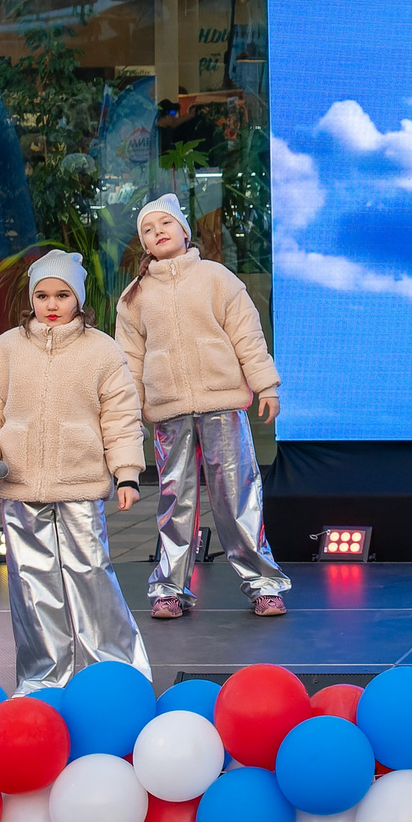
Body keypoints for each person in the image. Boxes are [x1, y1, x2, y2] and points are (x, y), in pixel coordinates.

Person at [0, 250, 150, 694]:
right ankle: (43, 680)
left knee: (91, 575)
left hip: (80, 485)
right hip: (20, 486)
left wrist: (126, 473)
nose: (52, 304)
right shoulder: (5, 350)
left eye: (62, 295)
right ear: (31, 299)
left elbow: (121, 416)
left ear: (78, 299)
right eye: (43, 295)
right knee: (32, 583)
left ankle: (116, 678)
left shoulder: (102, 350)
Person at [118, 193, 290, 621]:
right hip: (168, 410)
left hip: (222, 404)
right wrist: (131, 412)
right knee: (175, 500)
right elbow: (128, 360)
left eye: (164, 225)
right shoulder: (134, 296)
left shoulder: (217, 278)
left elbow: (247, 336)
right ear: (143, 243)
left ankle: (263, 584)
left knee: (237, 497)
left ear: (184, 231)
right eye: (147, 230)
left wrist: (266, 385)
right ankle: (169, 589)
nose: (157, 233)